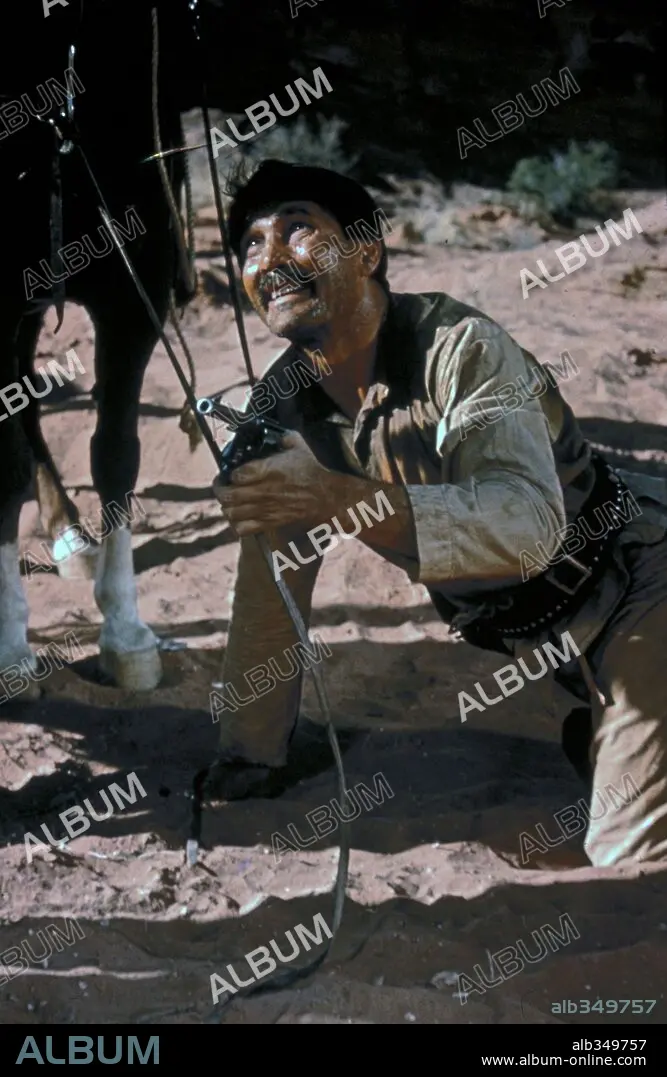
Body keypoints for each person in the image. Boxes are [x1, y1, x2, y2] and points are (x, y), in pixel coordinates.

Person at [207, 158, 667, 868]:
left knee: (625, 853)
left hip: (642, 583)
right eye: (250, 243)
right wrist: (250, 751)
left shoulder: (461, 350)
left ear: (367, 254)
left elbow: (528, 526)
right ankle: (607, 732)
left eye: (297, 229)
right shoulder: (284, 405)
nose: (269, 257)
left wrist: (335, 497)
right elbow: (273, 581)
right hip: (561, 640)